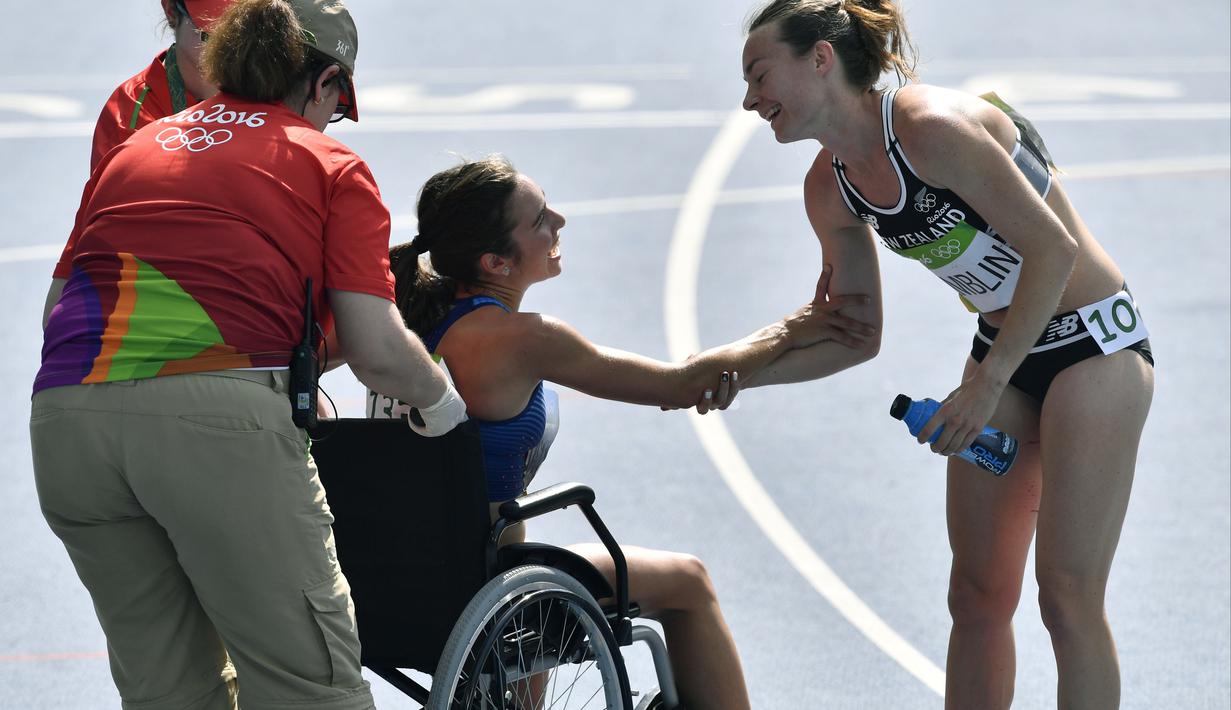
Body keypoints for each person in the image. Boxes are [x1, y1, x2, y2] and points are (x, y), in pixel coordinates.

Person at [31, 0, 466, 707]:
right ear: (324, 84)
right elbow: (376, 349)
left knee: (170, 692)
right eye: (338, 103)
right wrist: (446, 409)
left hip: (66, 424)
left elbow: (56, 311)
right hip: (213, 421)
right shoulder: (326, 159)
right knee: (309, 686)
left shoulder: (138, 145)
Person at [738, 1, 1155, 707]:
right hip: (1004, 350)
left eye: (758, 74)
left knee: (1064, 594)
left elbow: (1051, 250)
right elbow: (854, 334)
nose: (748, 99)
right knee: (976, 595)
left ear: (819, 59)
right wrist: (730, 374)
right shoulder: (828, 188)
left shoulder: (931, 130)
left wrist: (987, 386)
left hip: (1093, 344)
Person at [366, 155, 878, 710]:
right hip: (485, 581)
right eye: (539, 219)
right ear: (495, 261)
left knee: (538, 580)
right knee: (688, 583)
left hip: (398, 578)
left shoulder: (402, 323)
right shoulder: (522, 339)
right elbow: (682, 385)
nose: (559, 221)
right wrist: (792, 327)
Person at [90, 0, 235, 172]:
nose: (234, 46)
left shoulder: (272, 90)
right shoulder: (129, 115)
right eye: (212, 35)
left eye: (244, 31)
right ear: (171, 11)